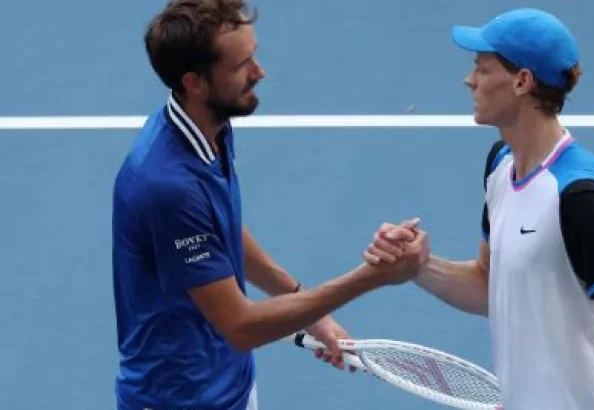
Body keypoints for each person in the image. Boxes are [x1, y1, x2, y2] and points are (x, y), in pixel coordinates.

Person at [363, 8, 594, 410]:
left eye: (482, 68)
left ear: (521, 81)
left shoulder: (577, 196)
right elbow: (488, 284)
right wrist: (419, 267)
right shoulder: (500, 166)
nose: (469, 80)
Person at [111, 1, 429, 409]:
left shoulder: (209, 127)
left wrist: (310, 311)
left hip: (228, 385)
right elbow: (241, 327)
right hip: (179, 400)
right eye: (242, 65)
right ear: (195, 82)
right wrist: (371, 277)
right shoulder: (168, 184)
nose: (259, 73)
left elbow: (220, 232)